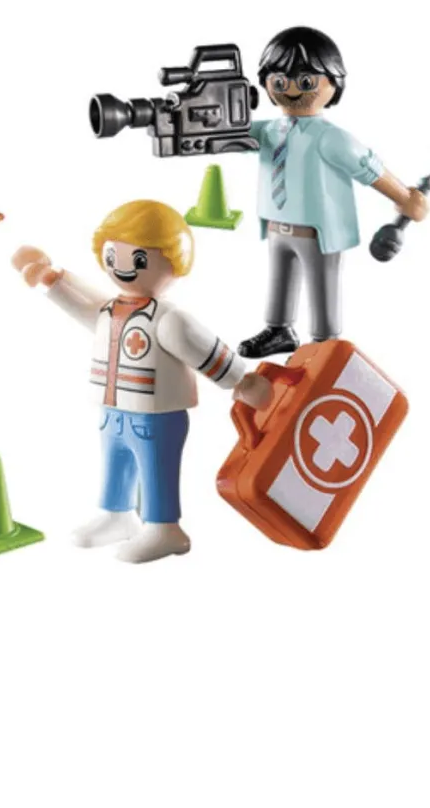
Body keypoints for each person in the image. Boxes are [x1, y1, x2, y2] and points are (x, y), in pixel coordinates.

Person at [13, 200, 270, 564]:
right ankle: (117, 515)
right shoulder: (111, 311)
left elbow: (203, 347)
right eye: (112, 254)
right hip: (113, 410)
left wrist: (240, 381)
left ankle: (165, 528)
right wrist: (52, 282)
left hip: (157, 416)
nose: (121, 266)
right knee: (115, 463)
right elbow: (86, 309)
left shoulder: (168, 319)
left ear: (174, 262)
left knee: (156, 470)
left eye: (138, 258)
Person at [240, 26, 429, 357]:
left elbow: (369, 168)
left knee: (322, 285)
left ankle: (325, 343)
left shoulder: (330, 138)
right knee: (279, 279)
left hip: (318, 232)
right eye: (280, 80)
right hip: (276, 225)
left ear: (333, 82)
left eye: (306, 81)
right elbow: (230, 135)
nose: (291, 88)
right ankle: (279, 330)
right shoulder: (268, 131)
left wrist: (404, 197)